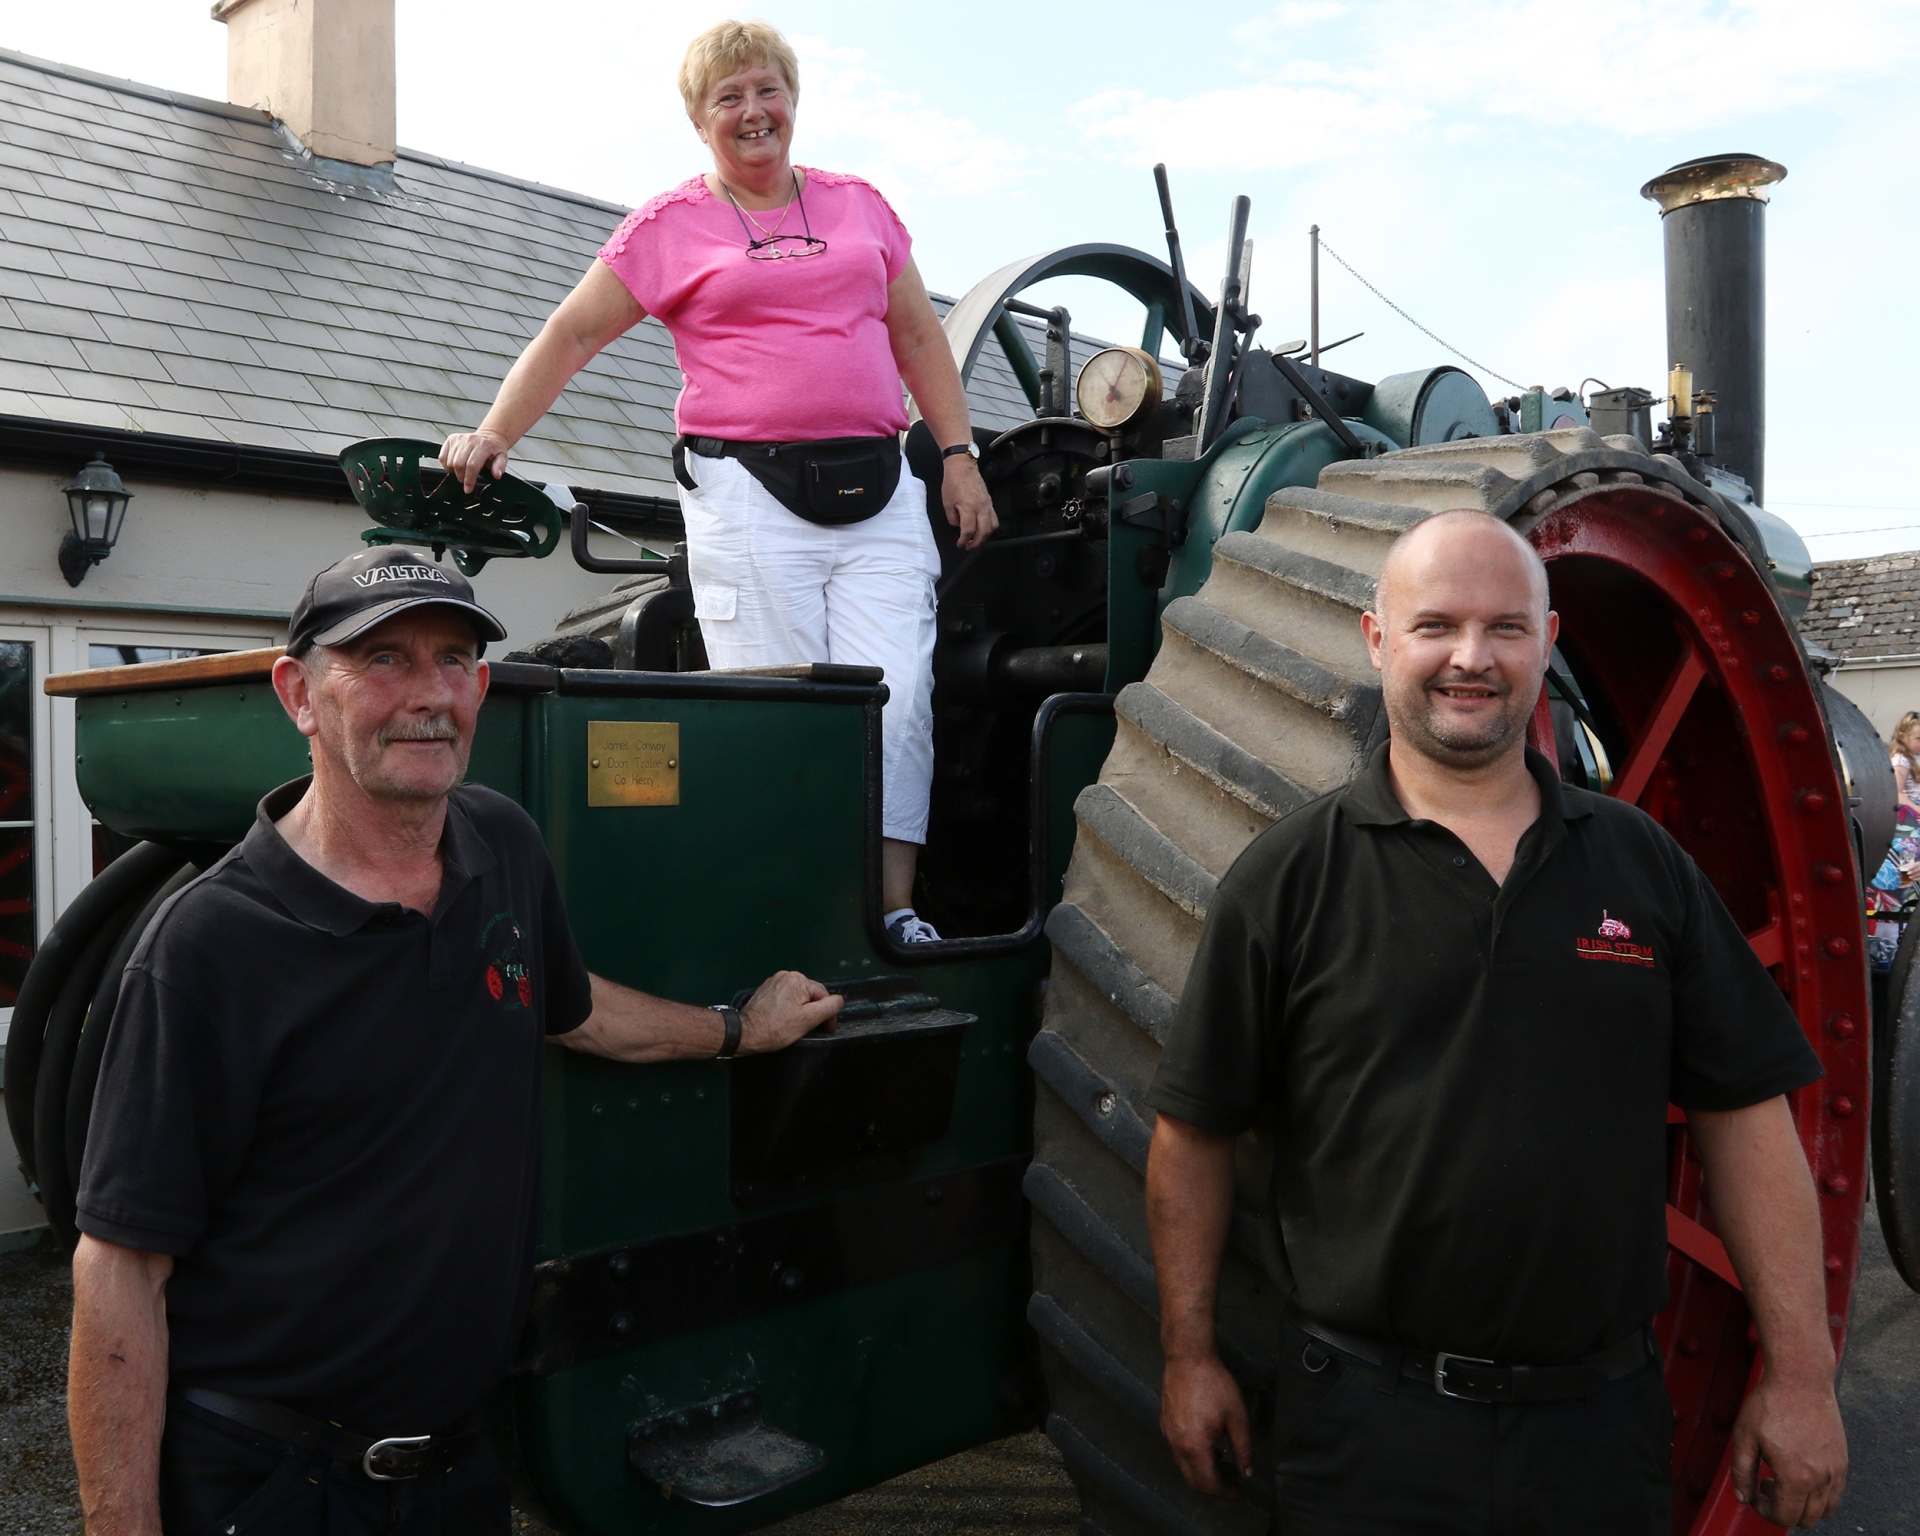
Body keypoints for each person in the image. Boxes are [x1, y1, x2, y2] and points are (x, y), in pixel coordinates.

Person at [67, 547, 842, 1536]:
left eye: (452, 661)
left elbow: (572, 1009)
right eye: (383, 660)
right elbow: (122, 1268)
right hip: (272, 1482)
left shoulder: (501, 843)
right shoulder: (211, 945)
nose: (428, 695)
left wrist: (738, 1031)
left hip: (456, 1470)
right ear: (300, 695)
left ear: (480, 687)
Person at [1146, 509, 1847, 1532]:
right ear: (1377, 639)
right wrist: (1187, 1355)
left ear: (1547, 642)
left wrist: (1802, 1375)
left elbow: (1745, 1117)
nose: (1470, 659)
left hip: (1596, 1429)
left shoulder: (1643, 865)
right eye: (1435, 625)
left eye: (1506, 628)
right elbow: (1192, 1135)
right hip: (1364, 1432)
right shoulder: (1288, 879)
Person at [441, 19, 996, 948]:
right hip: (748, 497)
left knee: (900, 702)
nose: (753, 111)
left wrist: (959, 455)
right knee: (783, 709)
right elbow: (572, 333)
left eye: (767, 89)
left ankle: (891, 912)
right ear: (699, 122)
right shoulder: (669, 226)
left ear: (794, 100)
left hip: (879, 492)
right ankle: (799, 918)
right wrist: (496, 432)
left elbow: (918, 336)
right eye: (728, 98)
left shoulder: (860, 207)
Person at [1890, 711, 1920, 823]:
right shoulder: (1902, 760)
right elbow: (1896, 793)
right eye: (1919, 739)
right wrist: (1917, 809)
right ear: (1903, 737)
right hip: (1911, 809)